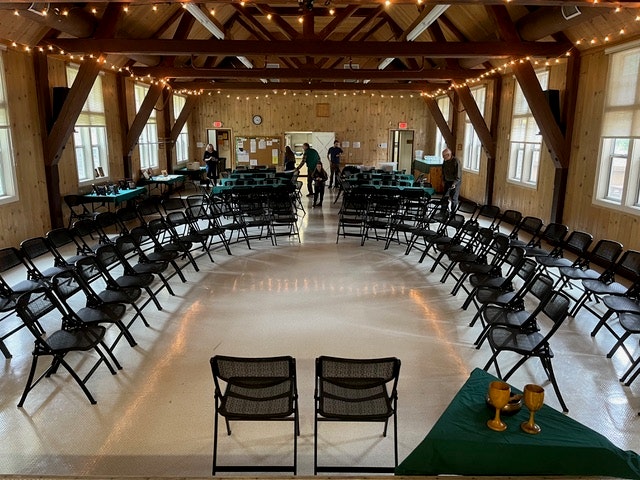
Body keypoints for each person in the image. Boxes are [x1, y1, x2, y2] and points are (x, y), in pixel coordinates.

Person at [442, 147, 462, 212]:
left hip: (455, 182)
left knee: (454, 198)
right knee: (445, 197)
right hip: (447, 181)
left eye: (444, 155)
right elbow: (443, 171)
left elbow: (458, 175)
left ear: (448, 155)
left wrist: (454, 184)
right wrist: (443, 180)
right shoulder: (445, 161)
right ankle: (443, 211)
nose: (443, 157)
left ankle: (453, 213)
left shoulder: (456, 161)